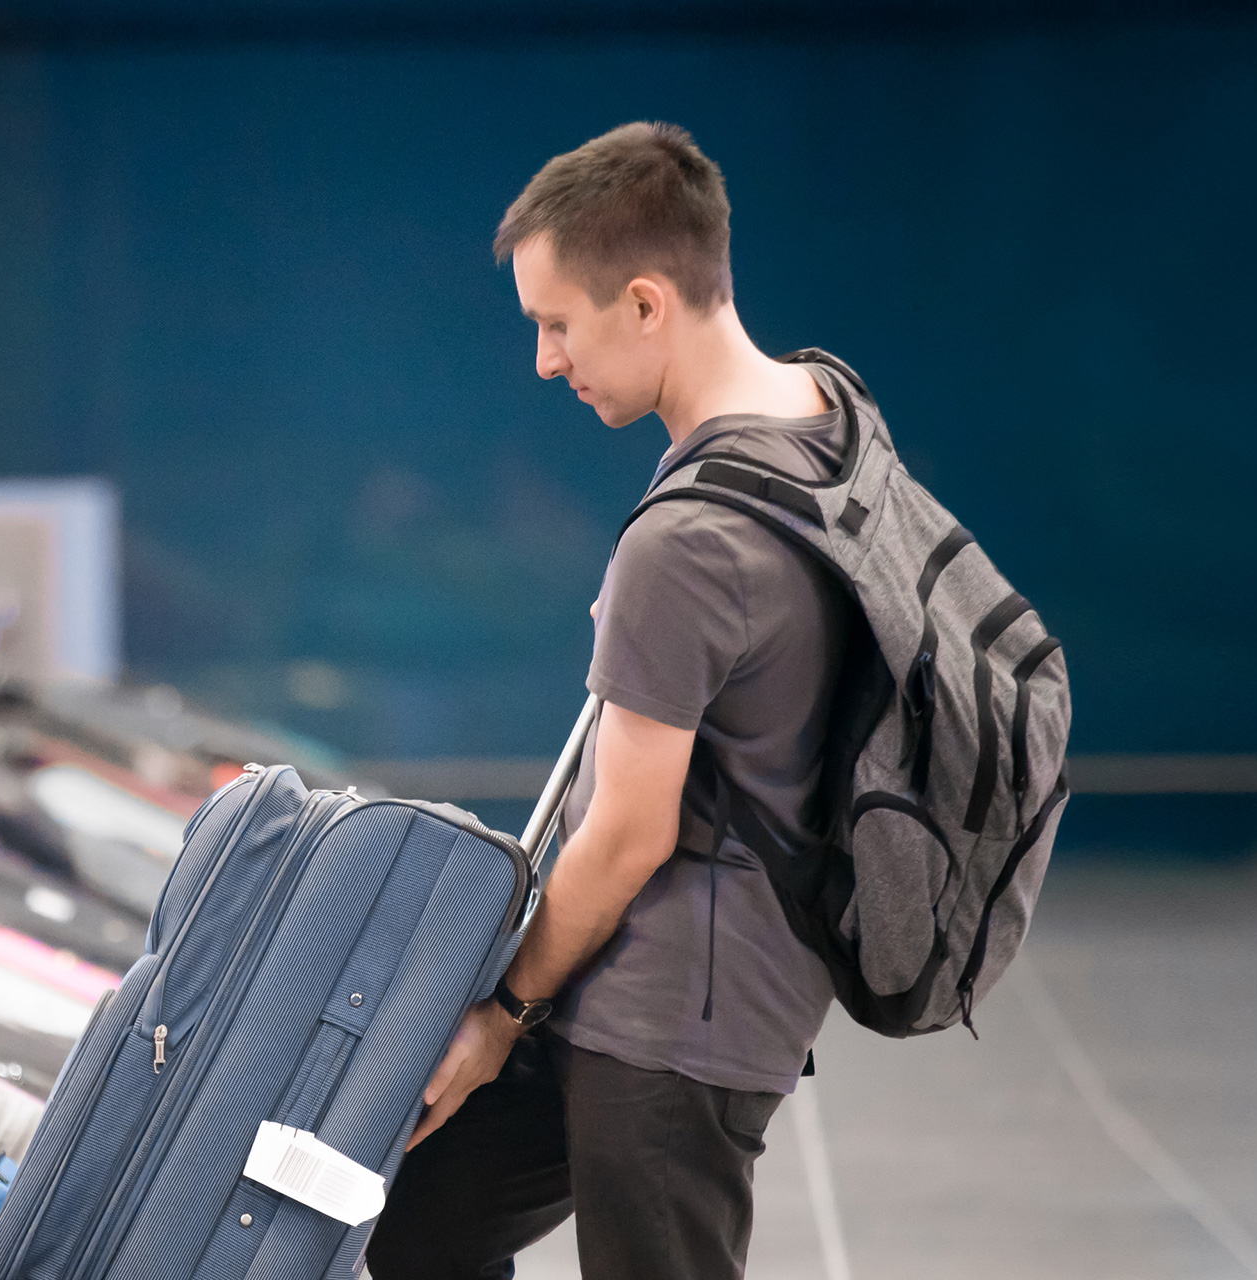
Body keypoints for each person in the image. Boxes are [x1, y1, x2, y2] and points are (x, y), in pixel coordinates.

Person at [366, 122, 854, 1279]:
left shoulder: (688, 539)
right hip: (665, 981)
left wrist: (498, 1017)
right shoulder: (824, 418)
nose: (544, 359)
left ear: (645, 303)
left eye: (556, 323)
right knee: (416, 1221)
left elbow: (629, 827)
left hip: (671, 1018)